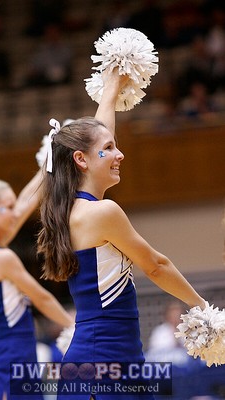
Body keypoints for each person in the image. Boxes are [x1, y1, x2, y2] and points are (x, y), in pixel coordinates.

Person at [37, 68, 206, 399]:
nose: (120, 154)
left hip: (110, 361)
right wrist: (201, 307)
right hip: (105, 365)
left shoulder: (76, 208)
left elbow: (97, 136)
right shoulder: (103, 213)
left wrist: (112, 87)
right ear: (81, 160)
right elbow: (155, 264)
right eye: (111, 148)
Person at [0, 170, 74, 400]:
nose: (15, 213)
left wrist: (46, 166)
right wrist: (74, 326)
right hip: (14, 359)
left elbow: (24, 204)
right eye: (7, 208)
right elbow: (42, 297)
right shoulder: (0, 258)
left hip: (18, 356)